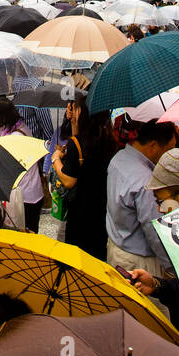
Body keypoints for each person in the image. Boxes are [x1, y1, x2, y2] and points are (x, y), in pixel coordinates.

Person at [105, 118, 179, 276]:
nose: (170, 156)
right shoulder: (145, 181)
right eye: (169, 149)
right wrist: (173, 269)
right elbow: (154, 231)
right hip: (138, 262)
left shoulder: (119, 158)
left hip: (116, 247)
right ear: (153, 146)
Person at [53, 82, 116, 260]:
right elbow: (78, 143)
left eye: (79, 110)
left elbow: (68, 180)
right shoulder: (108, 139)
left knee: (79, 257)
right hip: (102, 208)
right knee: (97, 255)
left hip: (81, 211)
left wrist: (56, 159)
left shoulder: (78, 143)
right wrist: (73, 122)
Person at [0, 98, 44, 233]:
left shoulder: (14, 138)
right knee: (32, 232)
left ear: (1, 118)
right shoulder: (22, 127)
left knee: (25, 237)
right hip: (33, 192)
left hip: (24, 197)